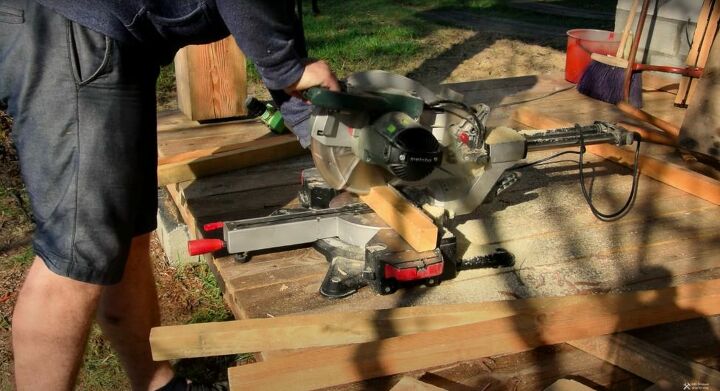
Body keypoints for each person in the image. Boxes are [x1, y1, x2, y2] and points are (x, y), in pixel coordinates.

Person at [0, 1, 340, 390]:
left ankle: (158, 384)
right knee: (75, 255)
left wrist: (304, 115)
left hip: (111, 35)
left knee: (127, 229)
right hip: (70, 26)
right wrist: (286, 69)